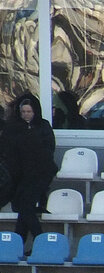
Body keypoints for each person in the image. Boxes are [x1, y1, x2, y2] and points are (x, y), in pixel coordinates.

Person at [1, 93, 56, 244]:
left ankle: (40, 240)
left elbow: (49, 148)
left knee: (25, 206)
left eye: (29, 112)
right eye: (23, 112)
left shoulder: (43, 126)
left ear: (35, 111)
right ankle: (19, 242)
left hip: (40, 173)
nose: (26, 115)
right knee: (23, 208)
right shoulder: (13, 128)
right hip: (20, 175)